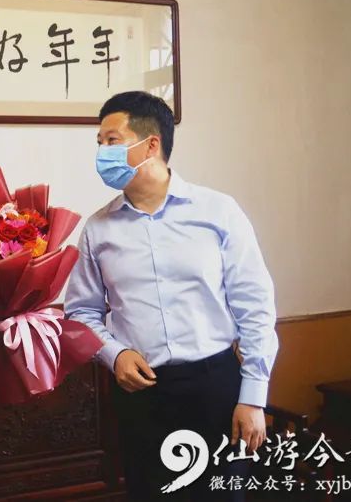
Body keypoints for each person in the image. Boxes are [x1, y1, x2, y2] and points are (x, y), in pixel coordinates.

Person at [65, 91, 279, 501]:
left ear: (151, 145)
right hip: (142, 394)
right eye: (99, 143)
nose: (102, 152)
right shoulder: (98, 228)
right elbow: (80, 312)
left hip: (215, 386)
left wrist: (253, 398)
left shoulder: (218, 211)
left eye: (112, 141)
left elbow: (255, 307)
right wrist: (115, 355)